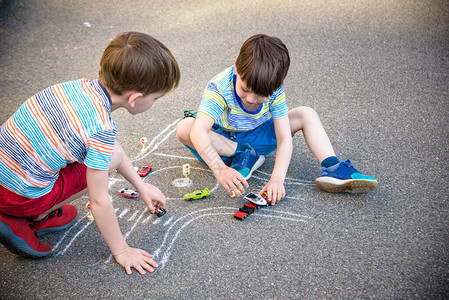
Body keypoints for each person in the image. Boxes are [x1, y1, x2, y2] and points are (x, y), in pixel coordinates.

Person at [0, 32, 180, 275]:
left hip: (6, 173)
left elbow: (108, 147)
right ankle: (27, 218)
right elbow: (98, 201)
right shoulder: (101, 127)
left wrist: (141, 186)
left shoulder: (76, 88)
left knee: (108, 153)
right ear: (136, 98)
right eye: (156, 98)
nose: (155, 102)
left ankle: (30, 209)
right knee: (109, 158)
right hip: (17, 198)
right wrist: (122, 251)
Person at [176, 34, 377, 204]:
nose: (250, 100)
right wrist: (220, 170)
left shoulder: (275, 90)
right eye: (245, 90)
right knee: (186, 127)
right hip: (223, 142)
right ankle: (243, 154)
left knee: (305, 113)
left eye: (261, 96)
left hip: (257, 137)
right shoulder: (220, 86)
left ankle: (333, 168)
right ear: (236, 67)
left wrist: (277, 179)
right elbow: (199, 131)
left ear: (277, 84)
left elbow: (284, 138)